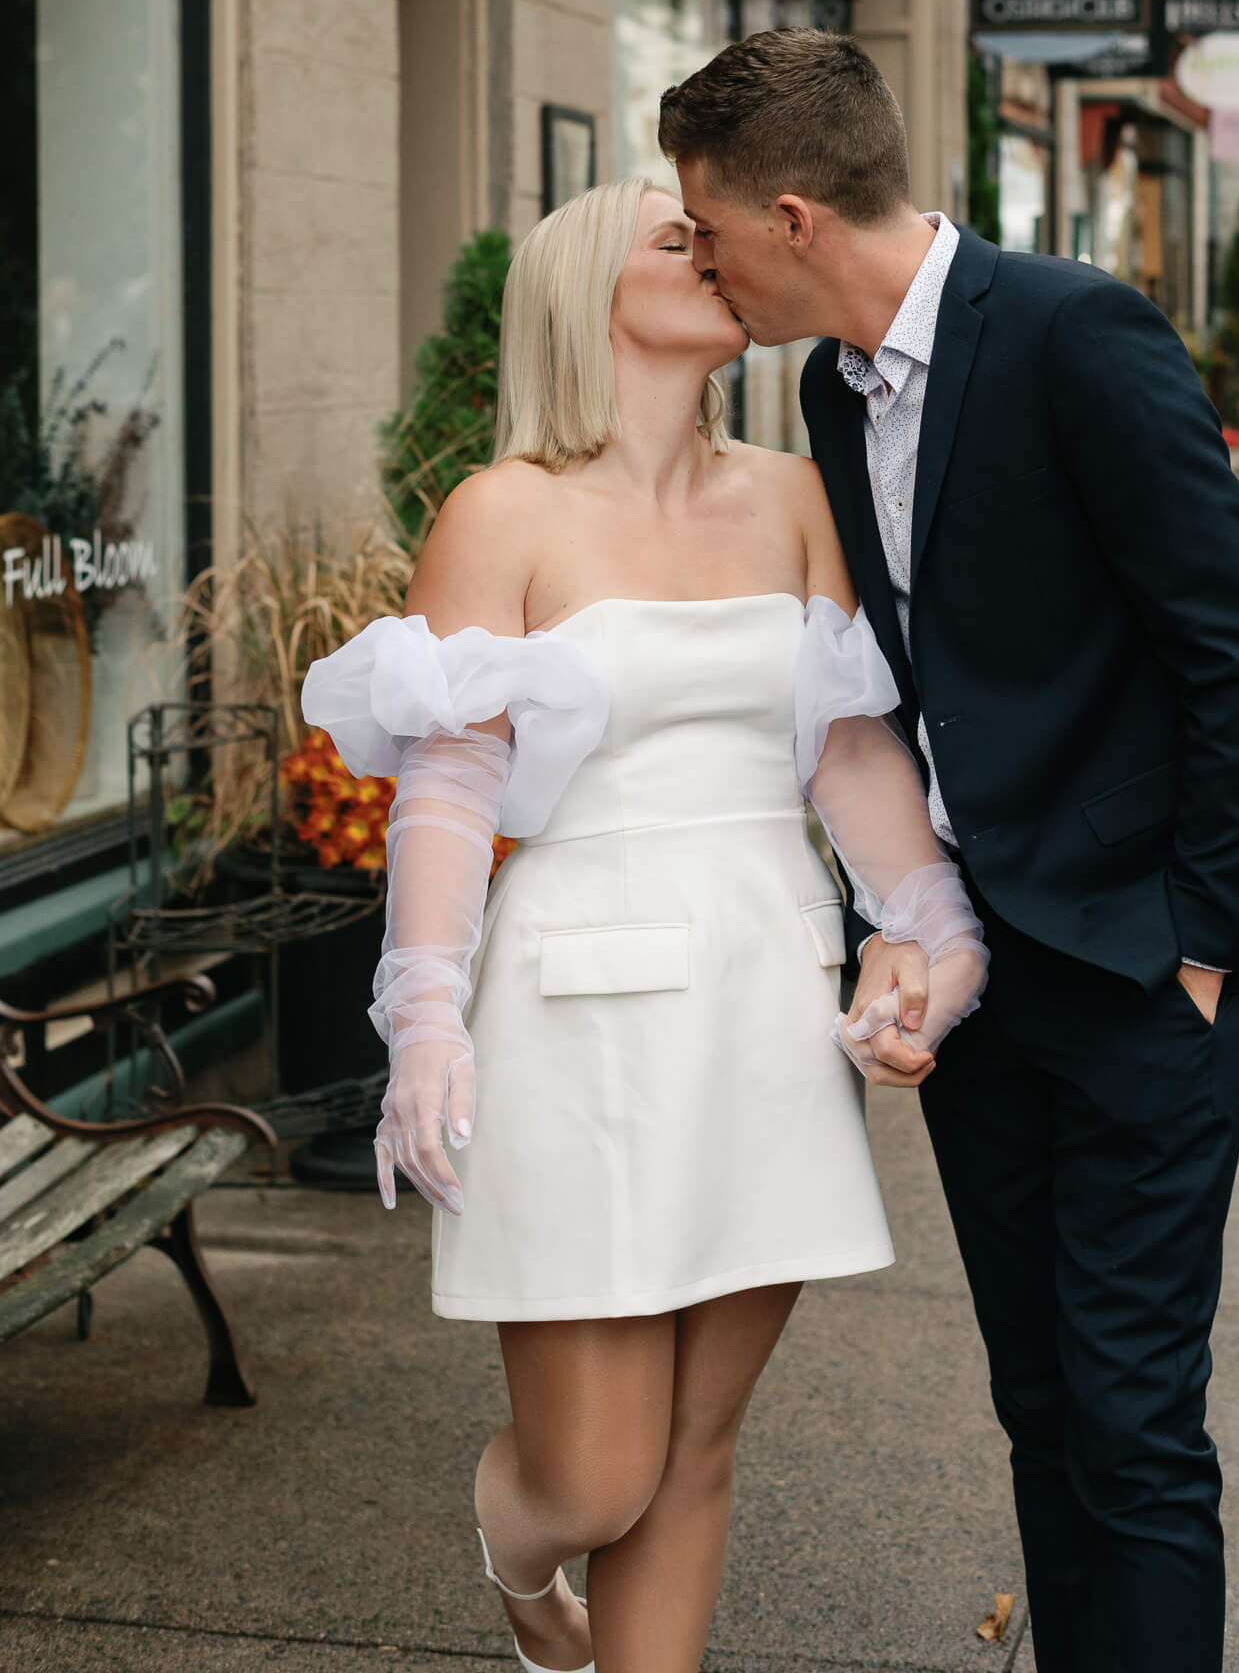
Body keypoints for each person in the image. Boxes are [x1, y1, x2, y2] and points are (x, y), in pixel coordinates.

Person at [658, 28, 1239, 1673]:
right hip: (984, 973)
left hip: (1135, 964)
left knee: (1133, 1427)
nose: (703, 258)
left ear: (799, 215)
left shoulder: (1067, 333)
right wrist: (912, 922)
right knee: (1039, 1408)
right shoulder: (830, 387)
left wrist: (1201, 943)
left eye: (709, 224)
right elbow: (908, 681)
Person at [300, 177, 989, 1673]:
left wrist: (932, 933)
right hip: (569, 1014)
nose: (716, 252)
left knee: (695, 1455)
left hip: (766, 995)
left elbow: (852, 752)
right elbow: (448, 786)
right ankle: (512, 1531)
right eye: (677, 239)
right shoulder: (507, 511)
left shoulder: (800, 493)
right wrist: (421, 1020)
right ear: (583, 296)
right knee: (596, 1475)